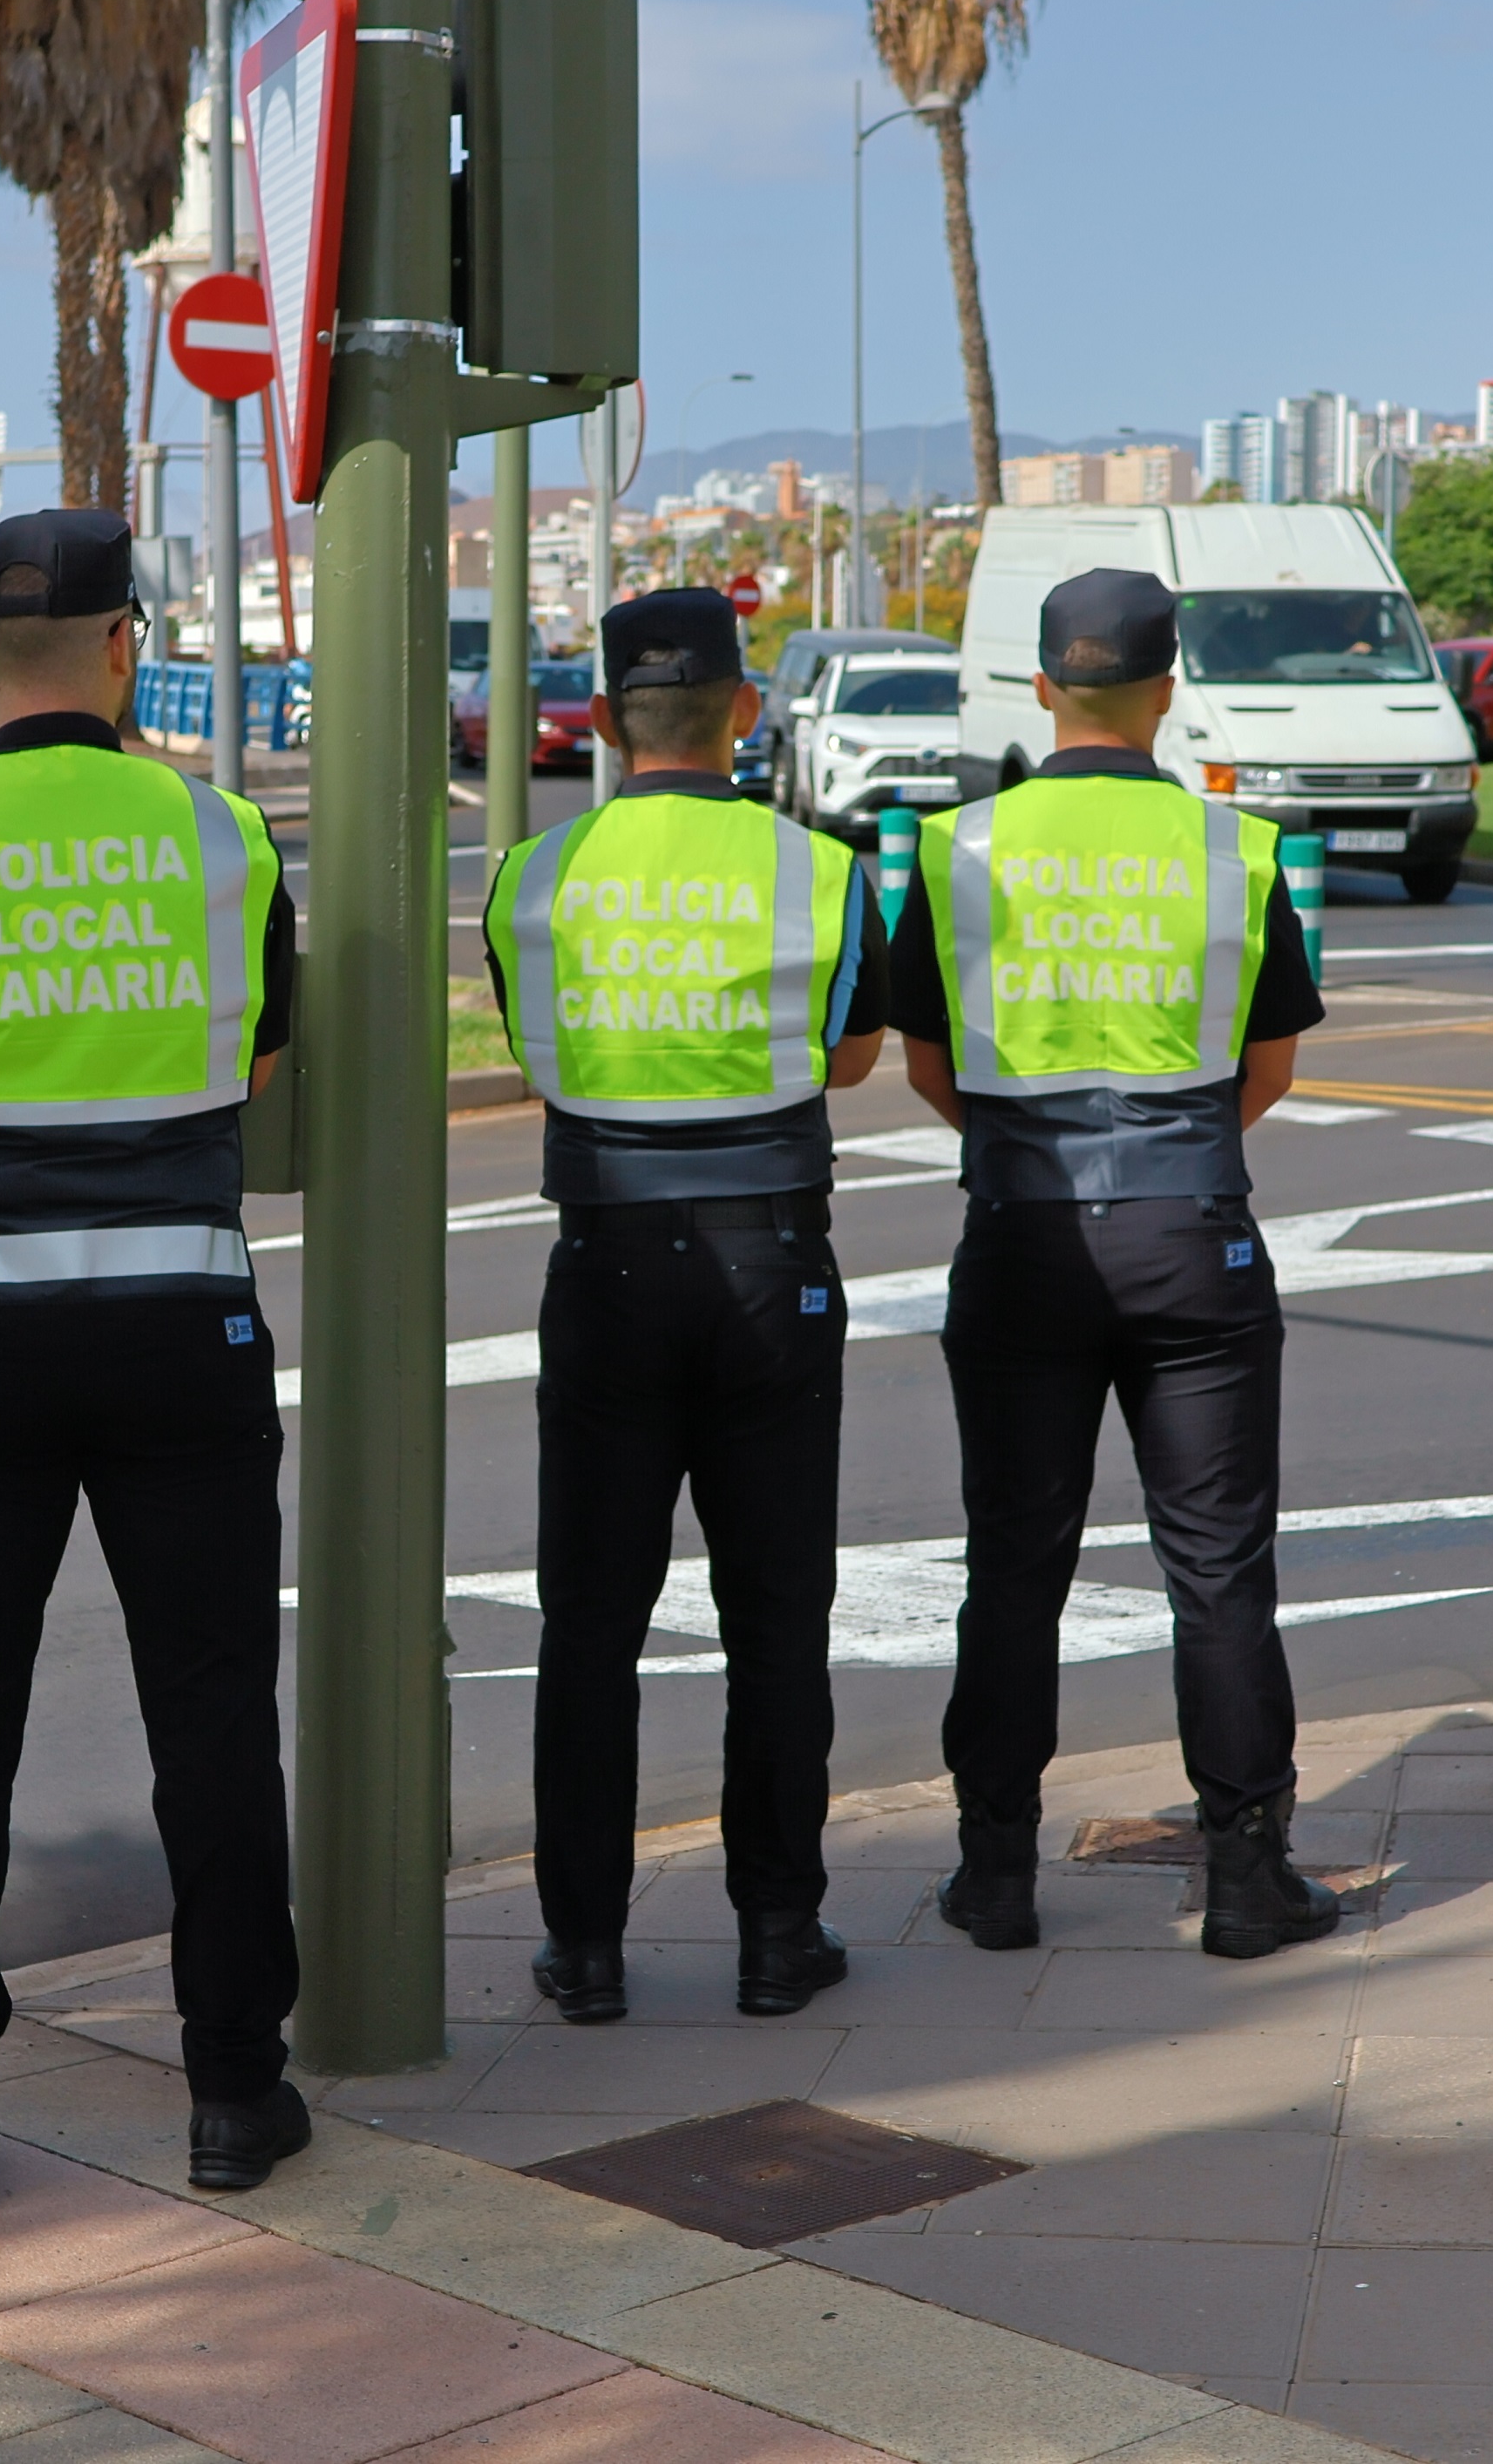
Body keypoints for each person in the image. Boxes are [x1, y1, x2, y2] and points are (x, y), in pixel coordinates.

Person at [0, 508, 305, 2207]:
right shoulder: (223, 834)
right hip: (183, 1325)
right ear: (125, 642)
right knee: (214, 1717)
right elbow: (253, 1049)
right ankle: (236, 2091)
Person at [886, 567, 1337, 1963]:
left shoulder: (951, 848)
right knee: (1217, 1568)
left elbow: (924, 1068)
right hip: (1191, 1227)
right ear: (1164, 688)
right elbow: (1263, 1070)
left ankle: (996, 1874)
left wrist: (1036, 1144)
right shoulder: (1237, 851)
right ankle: (1249, 1876)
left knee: (1013, 1561)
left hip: (1018, 1229)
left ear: (1039, 688)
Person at [478, 588, 886, 2026]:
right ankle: (778, 1934)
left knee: (591, 1618)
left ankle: (583, 1948)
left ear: (598, 720)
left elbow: (538, 1058)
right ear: (743, 714)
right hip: (774, 1254)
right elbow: (846, 1064)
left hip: (604, 1260)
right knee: (777, 1614)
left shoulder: (533, 875)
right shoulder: (822, 871)